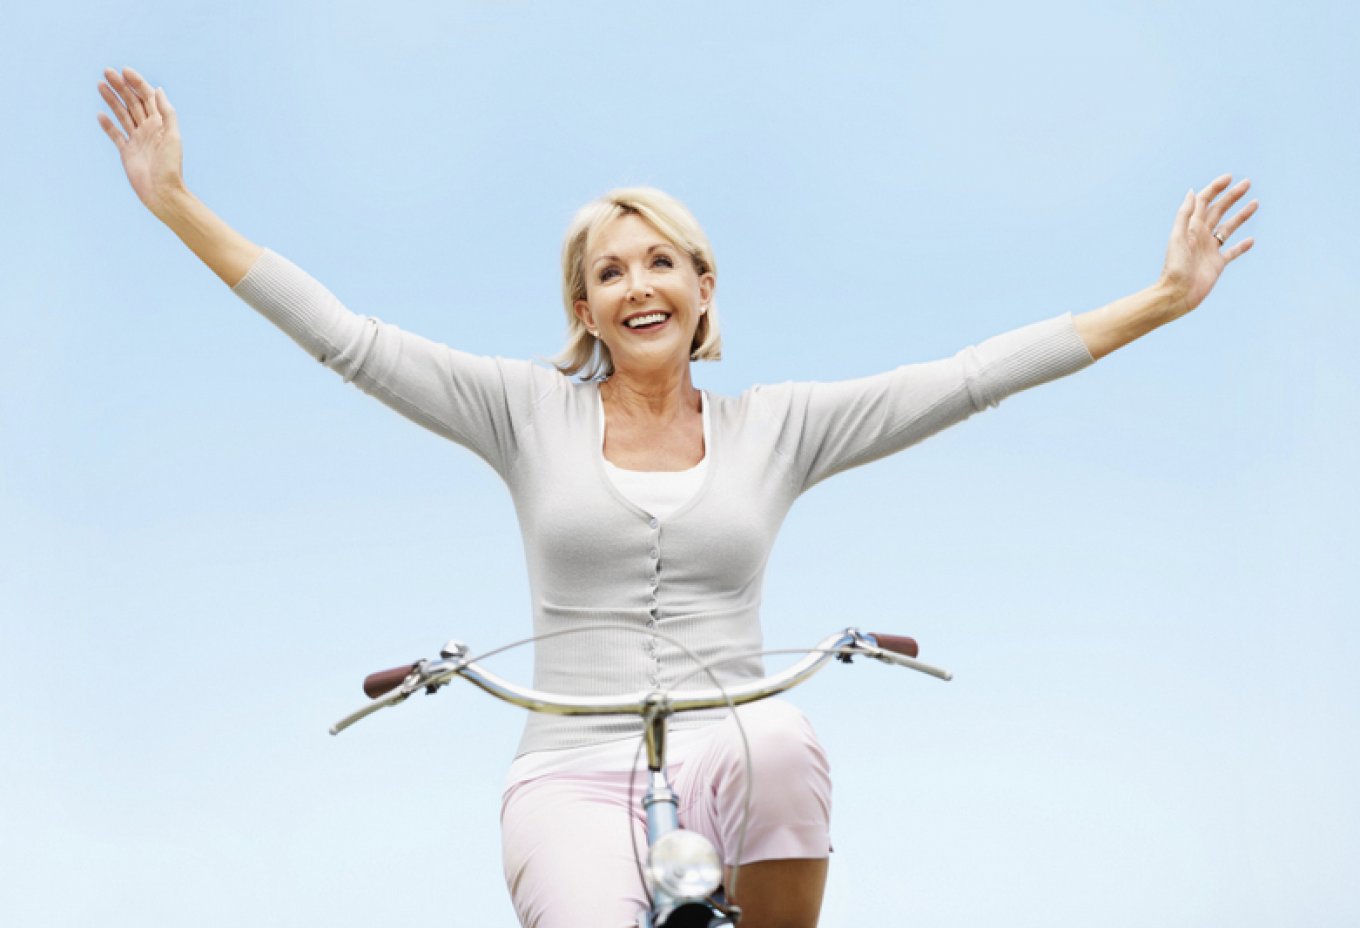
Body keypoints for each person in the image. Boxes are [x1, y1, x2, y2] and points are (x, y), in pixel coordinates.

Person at [97, 66, 1258, 928]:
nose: (637, 285)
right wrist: (176, 203)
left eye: (661, 262)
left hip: (725, 747)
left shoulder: (778, 427)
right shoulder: (522, 411)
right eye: (608, 272)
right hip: (565, 768)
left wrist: (1160, 300)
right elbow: (346, 339)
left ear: (703, 288)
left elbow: (962, 380)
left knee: (784, 738)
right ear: (585, 310)